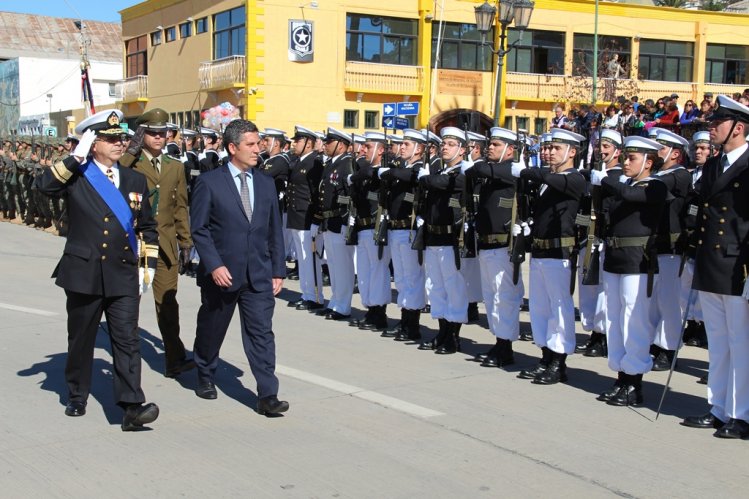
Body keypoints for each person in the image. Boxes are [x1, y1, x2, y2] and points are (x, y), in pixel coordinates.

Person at [37, 109, 160, 431]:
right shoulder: (77, 173)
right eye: (110, 139)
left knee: (127, 339)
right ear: (93, 143)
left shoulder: (134, 179)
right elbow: (44, 187)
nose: (120, 143)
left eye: (121, 138)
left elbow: (147, 225)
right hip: (83, 270)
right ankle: (77, 393)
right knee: (81, 338)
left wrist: (147, 268)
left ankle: (132, 405)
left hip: (122, 272)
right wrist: (73, 159)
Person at [190, 119, 288, 416]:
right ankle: (205, 373)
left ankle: (267, 394)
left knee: (261, 333)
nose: (258, 149)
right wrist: (214, 265)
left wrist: (278, 270)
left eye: (258, 143)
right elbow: (200, 229)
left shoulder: (265, 182)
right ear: (233, 147)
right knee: (212, 327)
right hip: (223, 274)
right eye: (251, 144)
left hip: (258, 274)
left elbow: (274, 230)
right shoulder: (209, 182)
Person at [683, 95, 749, 439]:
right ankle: (719, 409)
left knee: (741, 344)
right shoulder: (713, 165)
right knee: (719, 343)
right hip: (710, 261)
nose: (711, 130)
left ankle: (743, 414)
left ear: (738, 128)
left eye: (717, 124)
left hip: (738, 264)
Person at [590, 135, 667, 406]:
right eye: (625, 157)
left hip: (638, 262)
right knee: (614, 320)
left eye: (631, 158)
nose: (625, 162)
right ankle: (621, 375)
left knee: (634, 322)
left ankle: (634, 383)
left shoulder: (656, 186)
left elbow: (630, 194)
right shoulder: (624, 185)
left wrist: (607, 179)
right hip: (615, 259)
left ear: (648, 162)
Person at [126, 108, 195, 378]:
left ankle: (174, 357)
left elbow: (180, 207)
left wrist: (185, 241)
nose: (158, 137)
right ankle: (127, 357)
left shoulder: (175, 166)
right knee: (129, 303)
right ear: (141, 134)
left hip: (165, 244)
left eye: (162, 133)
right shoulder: (128, 163)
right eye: (151, 132)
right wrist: (131, 148)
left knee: (168, 302)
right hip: (135, 243)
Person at [516, 128, 586, 385]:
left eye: (556, 149)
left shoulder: (574, 178)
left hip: (560, 252)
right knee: (540, 307)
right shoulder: (550, 181)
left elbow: (540, 175)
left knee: (559, 308)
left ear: (572, 152)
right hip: (541, 251)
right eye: (549, 148)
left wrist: (525, 170)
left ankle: (559, 362)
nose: (550, 153)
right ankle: (545, 355)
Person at [464, 127, 524, 368]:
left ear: (510, 150)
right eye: (490, 144)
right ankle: (499, 340)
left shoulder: (511, 170)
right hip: (487, 242)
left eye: (496, 145)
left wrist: (473, 163)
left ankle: (506, 346)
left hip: (504, 245)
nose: (490, 147)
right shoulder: (493, 171)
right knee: (491, 297)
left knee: (504, 297)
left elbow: (478, 168)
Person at [417, 127, 469, 354]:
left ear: (462, 149)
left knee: (453, 287)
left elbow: (443, 184)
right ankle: (442, 330)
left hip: (451, 238)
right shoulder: (440, 171)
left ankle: (453, 336)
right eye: (443, 143)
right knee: (436, 287)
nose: (444, 147)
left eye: (450, 143)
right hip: (433, 235)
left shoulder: (462, 173)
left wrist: (426, 179)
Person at [649, 128, 692, 371]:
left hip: (672, 247)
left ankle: (669, 348)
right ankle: (655, 344)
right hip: (655, 246)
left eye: (660, 148)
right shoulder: (657, 175)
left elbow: (661, 184)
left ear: (675, 153)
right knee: (654, 300)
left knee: (670, 301)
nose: (655, 153)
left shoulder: (679, 175)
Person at [379, 128, 427, 341]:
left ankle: (412, 324)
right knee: (401, 279)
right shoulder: (401, 169)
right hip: (395, 229)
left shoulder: (419, 169)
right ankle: (404, 318)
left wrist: (389, 172)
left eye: (407, 145)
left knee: (412, 278)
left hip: (409, 230)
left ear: (419, 149)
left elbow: (411, 176)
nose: (402, 148)